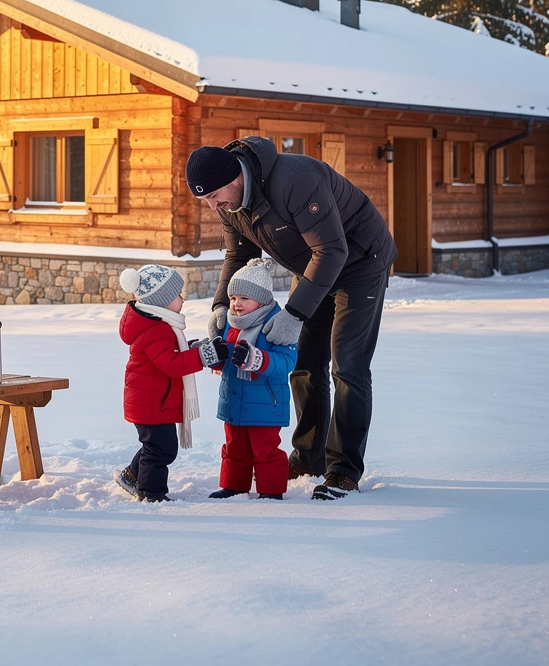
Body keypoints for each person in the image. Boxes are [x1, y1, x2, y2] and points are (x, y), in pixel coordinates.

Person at [185, 136, 396, 500]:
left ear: (235, 176)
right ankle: (308, 456)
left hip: (361, 262)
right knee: (303, 363)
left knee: (348, 365)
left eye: (214, 196)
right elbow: (238, 257)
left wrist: (295, 313)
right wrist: (221, 306)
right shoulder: (230, 203)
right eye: (204, 199)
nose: (211, 206)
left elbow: (332, 249)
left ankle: (343, 470)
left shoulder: (294, 180)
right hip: (313, 267)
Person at [200, 258, 297, 500]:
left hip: (266, 402)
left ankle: (271, 491)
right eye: (233, 298)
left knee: (265, 450)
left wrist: (259, 359)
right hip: (234, 399)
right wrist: (214, 356)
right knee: (234, 448)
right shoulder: (229, 325)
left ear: (262, 299)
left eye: (244, 298)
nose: (236, 304)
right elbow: (226, 363)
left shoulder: (276, 325)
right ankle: (234, 486)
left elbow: (286, 361)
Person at [114, 264, 205, 503]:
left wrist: (193, 349)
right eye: (177, 295)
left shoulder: (158, 326)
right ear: (162, 302)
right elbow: (172, 364)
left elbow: (171, 355)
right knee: (161, 448)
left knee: (155, 446)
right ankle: (151, 492)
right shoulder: (156, 330)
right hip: (151, 405)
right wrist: (202, 357)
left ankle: (132, 475)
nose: (183, 299)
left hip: (152, 402)